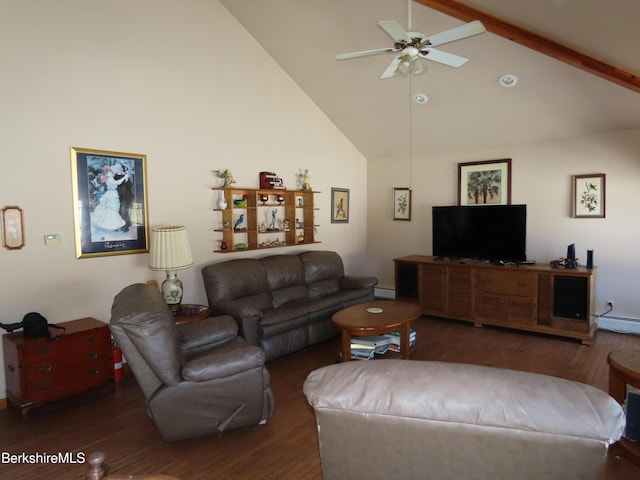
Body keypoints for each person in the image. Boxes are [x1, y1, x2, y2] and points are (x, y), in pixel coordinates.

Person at [92, 166, 129, 231]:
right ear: (108, 172)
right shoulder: (109, 178)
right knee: (112, 210)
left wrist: (124, 177)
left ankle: (114, 224)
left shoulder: (110, 178)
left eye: (112, 172)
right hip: (111, 194)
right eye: (110, 172)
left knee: (113, 210)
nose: (112, 173)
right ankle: (112, 224)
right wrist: (124, 177)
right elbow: (117, 183)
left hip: (113, 193)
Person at [113, 163, 134, 232]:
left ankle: (126, 225)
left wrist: (126, 179)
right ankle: (121, 225)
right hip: (119, 197)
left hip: (126, 196)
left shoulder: (125, 177)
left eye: (119, 168)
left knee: (124, 211)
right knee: (118, 211)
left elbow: (130, 186)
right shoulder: (114, 177)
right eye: (116, 168)